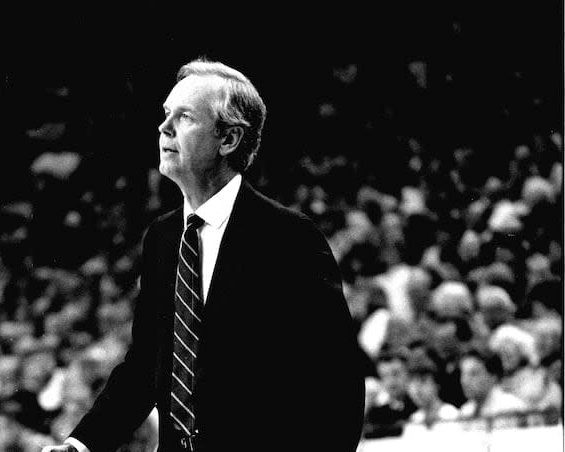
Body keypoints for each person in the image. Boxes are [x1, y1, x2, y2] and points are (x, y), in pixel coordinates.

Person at [43, 58, 364, 452]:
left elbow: (338, 384)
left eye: (185, 117)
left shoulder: (290, 238)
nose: (164, 128)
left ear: (228, 139)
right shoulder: (161, 239)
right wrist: (82, 446)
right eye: (165, 115)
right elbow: (147, 366)